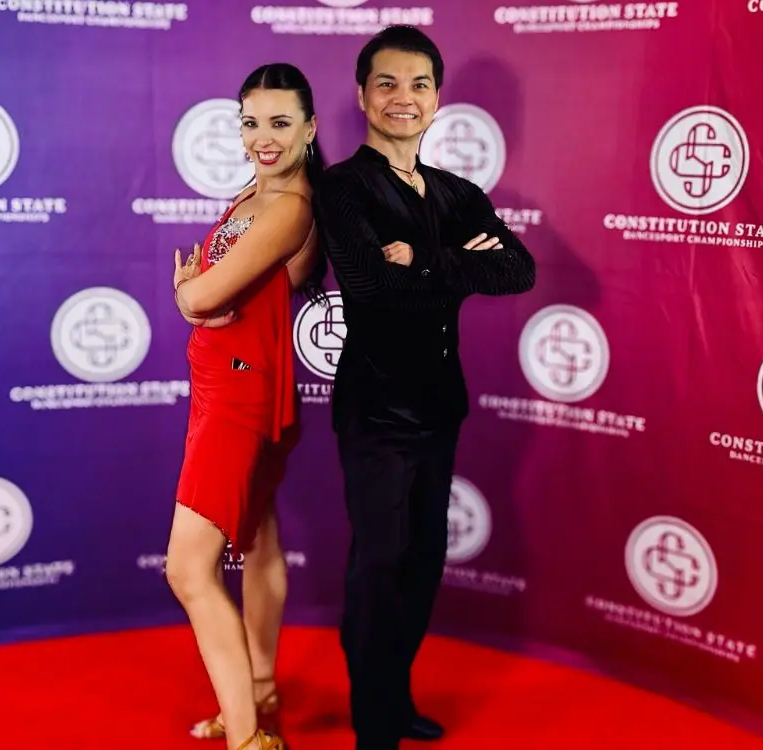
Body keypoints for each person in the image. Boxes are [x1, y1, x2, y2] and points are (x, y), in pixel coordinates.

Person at [312, 25, 537, 750]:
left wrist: (430, 260)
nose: (403, 98)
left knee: (423, 565)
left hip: (441, 408)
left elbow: (518, 269)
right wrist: (443, 270)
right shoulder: (343, 186)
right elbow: (374, 289)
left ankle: (395, 694)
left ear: (437, 99)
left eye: (418, 85)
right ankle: (374, 724)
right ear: (362, 96)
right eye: (387, 83)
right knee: (377, 568)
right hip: (375, 410)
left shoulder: (457, 191)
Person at [167, 61, 327, 750]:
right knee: (257, 542)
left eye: (281, 123)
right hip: (224, 387)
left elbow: (202, 298)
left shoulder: (291, 206)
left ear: (310, 128)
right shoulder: (252, 195)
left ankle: (247, 740)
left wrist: (188, 292)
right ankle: (258, 696)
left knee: (188, 568)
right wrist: (210, 291)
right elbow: (241, 289)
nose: (263, 137)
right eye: (251, 122)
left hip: (239, 395)